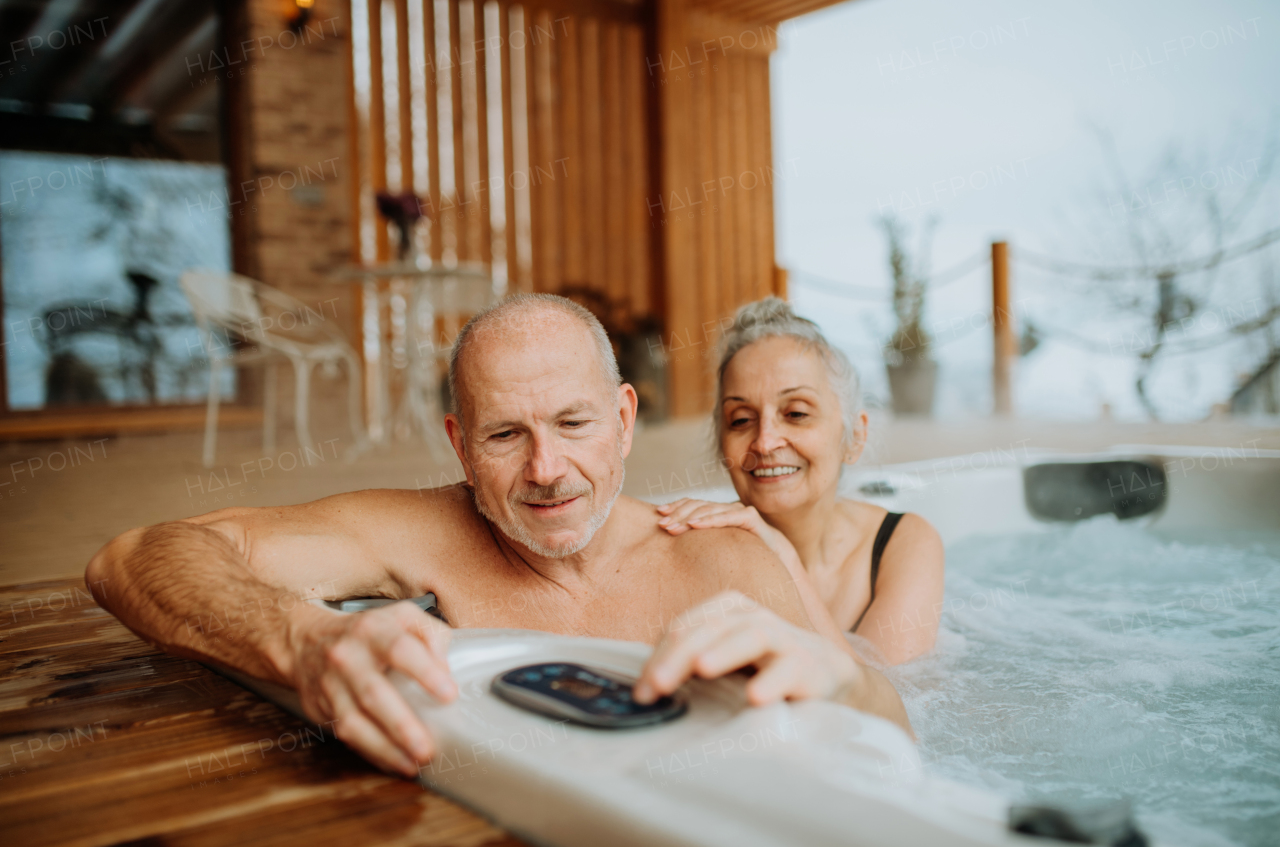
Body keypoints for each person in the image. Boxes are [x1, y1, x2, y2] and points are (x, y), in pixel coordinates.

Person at [87, 294, 912, 779]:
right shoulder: (416, 530)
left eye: (574, 423)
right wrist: (299, 637)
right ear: (458, 444)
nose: (547, 469)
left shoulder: (725, 558)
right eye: (505, 436)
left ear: (624, 420)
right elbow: (129, 557)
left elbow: (893, 743)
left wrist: (840, 674)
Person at [656, 298, 944, 665]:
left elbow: (890, 707)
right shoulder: (700, 551)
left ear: (855, 436)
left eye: (796, 413)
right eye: (741, 419)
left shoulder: (902, 543)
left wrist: (783, 556)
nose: (764, 441)